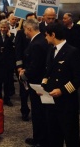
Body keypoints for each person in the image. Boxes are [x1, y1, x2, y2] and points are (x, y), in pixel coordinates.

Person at [42, 23, 80, 147]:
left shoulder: (72, 52)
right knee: (54, 135)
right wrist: (43, 86)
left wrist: (62, 90)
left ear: (53, 35)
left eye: (46, 35)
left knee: (70, 136)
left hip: (67, 102)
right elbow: (48, 72)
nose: (45, 38)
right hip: (51, 101)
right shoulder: (51, 50)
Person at [17, 18, 49, 147]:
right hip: (40, 81)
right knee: (40, 112)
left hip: (37, 83)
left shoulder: (36, 43)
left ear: (29, 29)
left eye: (25, 29)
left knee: (38, 112)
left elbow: (35, 65)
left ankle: (39, 139)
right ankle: (40, 137)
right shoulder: (41, 39)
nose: (25, 32)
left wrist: (24, 74)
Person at [15, 12, 36, 121]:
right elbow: (18, 51)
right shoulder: (20, 33)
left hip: (34, 66)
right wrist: (19, 67)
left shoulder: (39, 33)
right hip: (24, 66)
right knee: (24, 92)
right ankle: (24, 110)